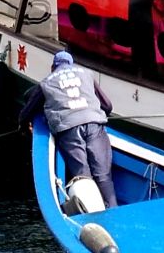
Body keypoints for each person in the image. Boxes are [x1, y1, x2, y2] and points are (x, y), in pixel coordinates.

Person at [19, 51, 116, 209]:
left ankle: (91, 213)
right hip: (94, 124)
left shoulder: (46, 83)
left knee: (83, 176)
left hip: (69, 128)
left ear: (53, 67)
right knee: (103, 175)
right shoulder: (87, 73)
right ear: (71, 64)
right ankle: (113, 211)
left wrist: (23, 126)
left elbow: (27, 111)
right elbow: (108, 106)